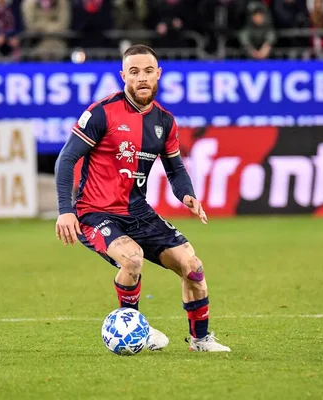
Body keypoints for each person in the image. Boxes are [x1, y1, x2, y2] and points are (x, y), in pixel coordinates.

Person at [54, 44, 231, 352]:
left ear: (158, 74)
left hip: (138, 212)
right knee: (132, 259)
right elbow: (66, 159)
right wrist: (65, 210)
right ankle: (135, 331)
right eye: (134, 72)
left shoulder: (165, 121)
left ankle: (201, 340)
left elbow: (175, 169)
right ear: (124, 76)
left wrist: (187, 195)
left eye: (148, 71)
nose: (142, 78)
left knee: (193, 266)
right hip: (95, 212)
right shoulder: (102, 112)